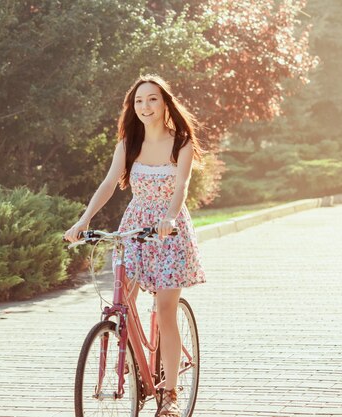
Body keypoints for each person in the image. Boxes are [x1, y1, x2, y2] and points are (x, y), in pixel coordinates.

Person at [64, 74, 206, 417]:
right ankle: (130, 356)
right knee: (122, 297)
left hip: (168, 231)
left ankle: (169, 393)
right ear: (133, 107)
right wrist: (84, 220)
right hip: (135, 226)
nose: (145, 106)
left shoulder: (181, 142)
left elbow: (181, 185)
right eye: (139, 101)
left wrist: (170, 217)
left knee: (166, 310)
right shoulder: (129, 143)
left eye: (152, 99)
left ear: (165, 102)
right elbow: (110, 182)